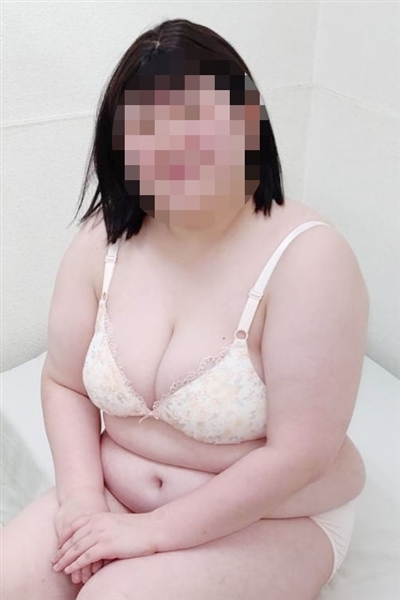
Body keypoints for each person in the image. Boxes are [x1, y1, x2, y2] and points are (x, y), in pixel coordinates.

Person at [1, 17, 369, 600]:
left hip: (274, 517)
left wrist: (150, 534)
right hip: (114, 498)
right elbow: (64, 382)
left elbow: (302, 454)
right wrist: (81, 501)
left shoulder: (309, 259)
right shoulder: (103, 241)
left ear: (247, 124)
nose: (174, 150)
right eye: (147, 131)